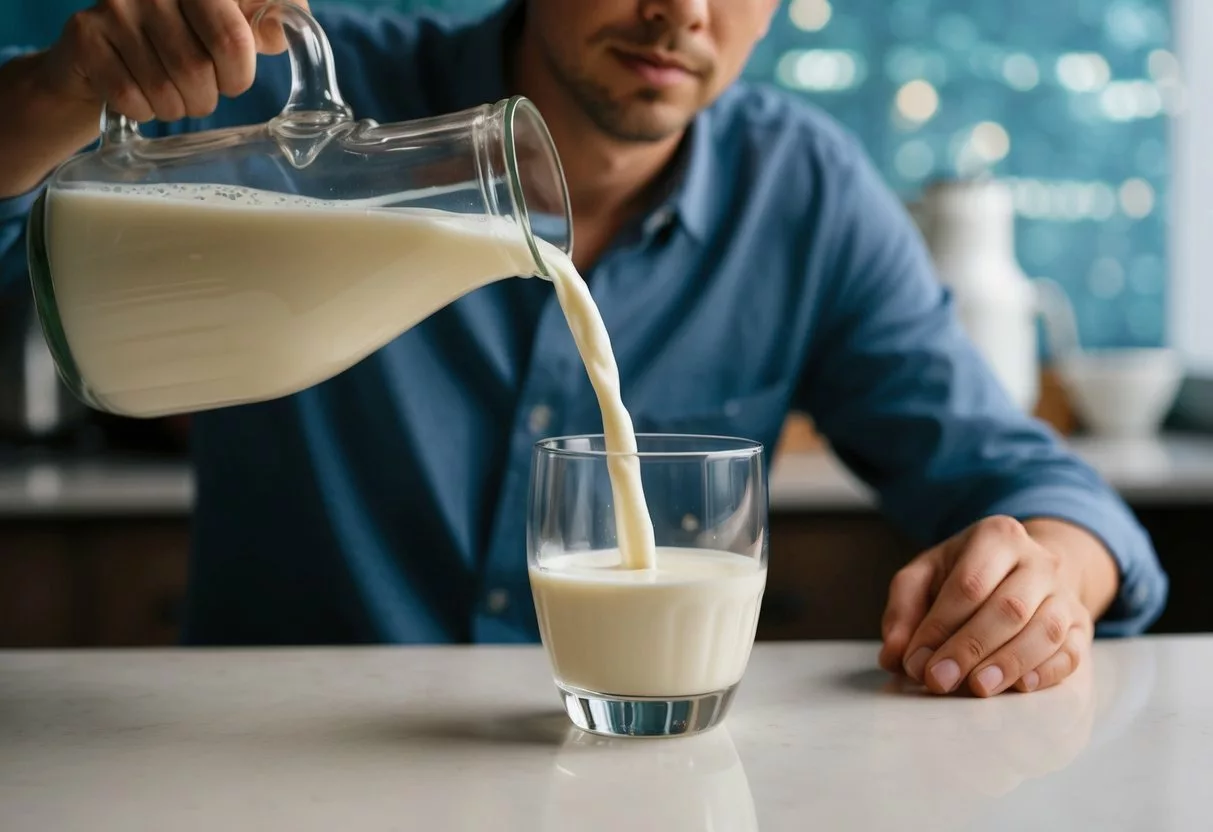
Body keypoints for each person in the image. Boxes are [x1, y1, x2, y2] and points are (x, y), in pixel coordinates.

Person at [0, 0, 1167, 696]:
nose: (679, 13)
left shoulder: (802, 194)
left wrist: (1050, 570)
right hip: (264, 770)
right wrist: (63, 89)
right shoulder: (298, 98)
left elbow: (1023, 477)